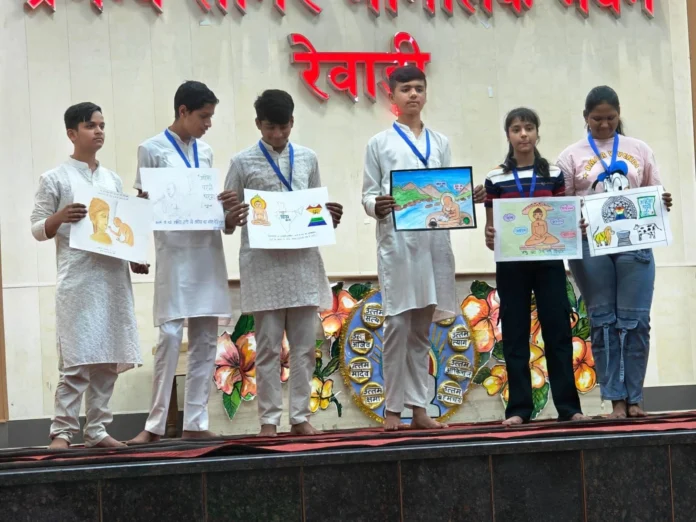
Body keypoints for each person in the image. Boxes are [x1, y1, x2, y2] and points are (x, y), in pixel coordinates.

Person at [362, 66, 486, 431]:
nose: (413, 95)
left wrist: (467, 197)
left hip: (433, 245)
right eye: (405, 89)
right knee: (397, 325)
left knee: (421, 330)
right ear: (393, 96)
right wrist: (376, 205)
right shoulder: (379, 144)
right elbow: (368, 194)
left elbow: (449, 191)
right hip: (399, 246)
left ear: (426, 94)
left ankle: (418, 409)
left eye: (418, 88)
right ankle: (390, 409)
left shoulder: (441, 142)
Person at [128, 81, 245, 444]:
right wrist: (136, 252)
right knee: (168, 336)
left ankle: (195, 422)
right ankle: (155, 426)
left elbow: (210, 209)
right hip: (174, 254)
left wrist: (226, 211)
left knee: (206, 339)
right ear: (183, 111)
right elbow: (141, 205)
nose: (208, 123)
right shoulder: (151, 149)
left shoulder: (206, 152)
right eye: (204, 116)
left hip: (207, 251)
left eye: (211, 116)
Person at [224, 89, 341, 437]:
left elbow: (315, 208)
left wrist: (329, 216)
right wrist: (232, 215)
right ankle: (269, 421)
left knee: (305, 348)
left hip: (303, 264)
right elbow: (226, 221)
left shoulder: (308, 158)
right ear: (258, 124)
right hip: (263, 266)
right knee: (268, 348)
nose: (277, 135)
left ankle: (301, 417)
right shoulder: (241, 162)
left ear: (293, 122)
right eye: (270, 127)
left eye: (284, 127)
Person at [30, 102, 145, 449]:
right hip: (78, 281)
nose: (99, 132)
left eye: (102, 126)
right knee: (78, 360)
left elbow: (116, 229)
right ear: (71, 133)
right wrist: (59, 217)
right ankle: (62, 432)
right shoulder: (54, 178)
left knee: (108, 358)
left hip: (112, 279)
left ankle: (97, 430)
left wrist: (134, 257)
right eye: (91, 126)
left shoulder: (111, 179)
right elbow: (37, 229)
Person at [558, 86, 672, 419]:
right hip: (590, 245)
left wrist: (663, 201)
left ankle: (635, 399)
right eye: (597, 119)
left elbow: (654, 191)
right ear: (585, 118)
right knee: (604, 321)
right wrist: (571, 220)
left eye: (610, 118)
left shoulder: (641, 150)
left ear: (619, 114)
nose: (604, 125)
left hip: (635, 242)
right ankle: (616, 402)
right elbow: (561, 203)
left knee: (636, 321)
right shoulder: (570, 156)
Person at [484, 107, 587, 425]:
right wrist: (490, 233)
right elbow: (491, 232)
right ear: (508, 136)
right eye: (516, 129)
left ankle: (569, 408)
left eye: (529, 128)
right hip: (512, 263)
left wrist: (573, 226)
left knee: (557, 332)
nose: (523, 134)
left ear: (538, 133)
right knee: (514, 334)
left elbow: (562, 215)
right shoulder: (495, 178)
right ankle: (518, 409)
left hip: (549, 263)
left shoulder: (555, 174)